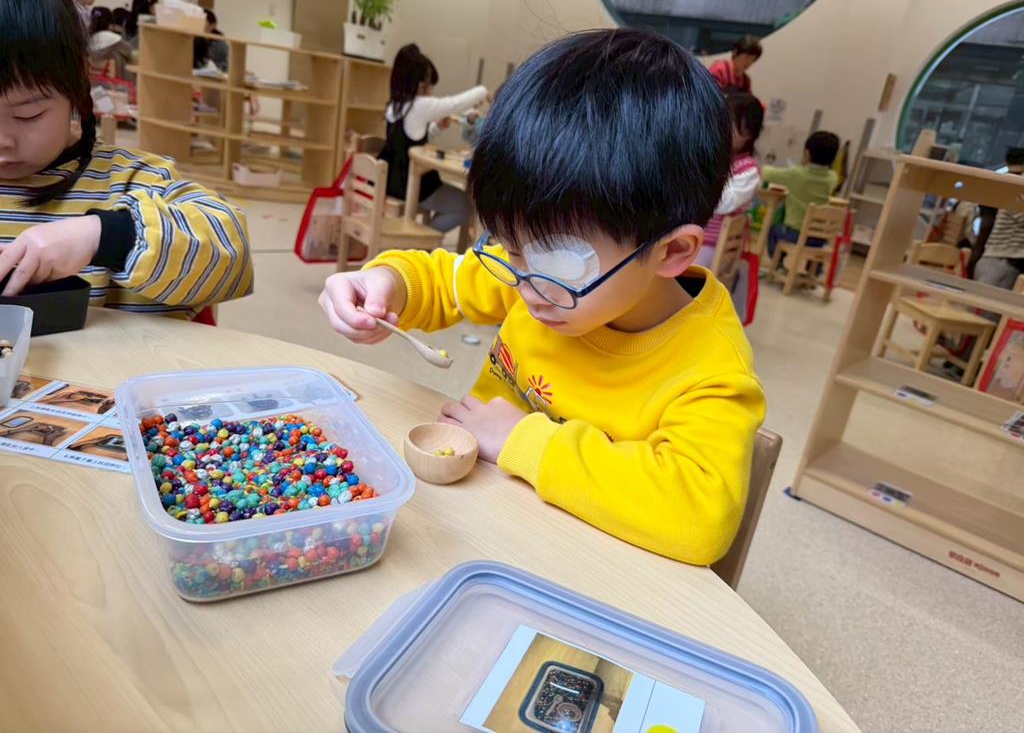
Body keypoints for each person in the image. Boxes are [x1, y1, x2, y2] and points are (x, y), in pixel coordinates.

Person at [320, 29, 766, 565]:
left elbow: (698, 516)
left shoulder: (710, 369)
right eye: (511, 248)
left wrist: (523, 440)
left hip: (576, 568)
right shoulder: (534, 271)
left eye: (559, 266)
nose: (525, 288)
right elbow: (443, 281)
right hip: (477, 530)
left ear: (671, 251)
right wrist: (386, 283)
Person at [0, 0, 252, 317]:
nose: (3, 141)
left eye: (29, 114)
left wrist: (108, 236)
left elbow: (232, 255)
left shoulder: (132, 181)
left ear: (77, 88)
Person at [378, 44, 488, 233]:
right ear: (418, 83)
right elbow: (452, 104)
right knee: (466, 207)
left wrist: (437, 128)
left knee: (457, 202)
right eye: (427, 84)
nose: (430, 90)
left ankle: (419, 238)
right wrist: (483, 91)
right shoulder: (419, 105)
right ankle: (418, 243)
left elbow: (410, 140)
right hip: (413, 186)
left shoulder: (395, 105)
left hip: (391, 182)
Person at [696, 92, 764, 268]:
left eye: (728, 124)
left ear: (748, 132)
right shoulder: (712, 159)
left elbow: (724, 204)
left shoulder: (748, 170)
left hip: (712, 246)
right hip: (694, 239)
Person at [764, 130, 840, 256]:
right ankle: (812, 266)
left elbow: (768, 173)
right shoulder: (833, 178)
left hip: (795, 233)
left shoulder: (797, 174)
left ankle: (778, 262)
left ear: (806, 153)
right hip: (819, 238)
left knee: (773, 230)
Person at [970, 146, 1024, 289]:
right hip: (1001, 260)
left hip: (997, 257)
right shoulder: (1016, 190)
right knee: (984, 300)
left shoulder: (1001, 184)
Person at [88, 6, 132, 78]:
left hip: (94, 78)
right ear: (110, 24)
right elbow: (128, 51)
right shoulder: (113, 38)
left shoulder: (89, 39)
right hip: (115, 77)